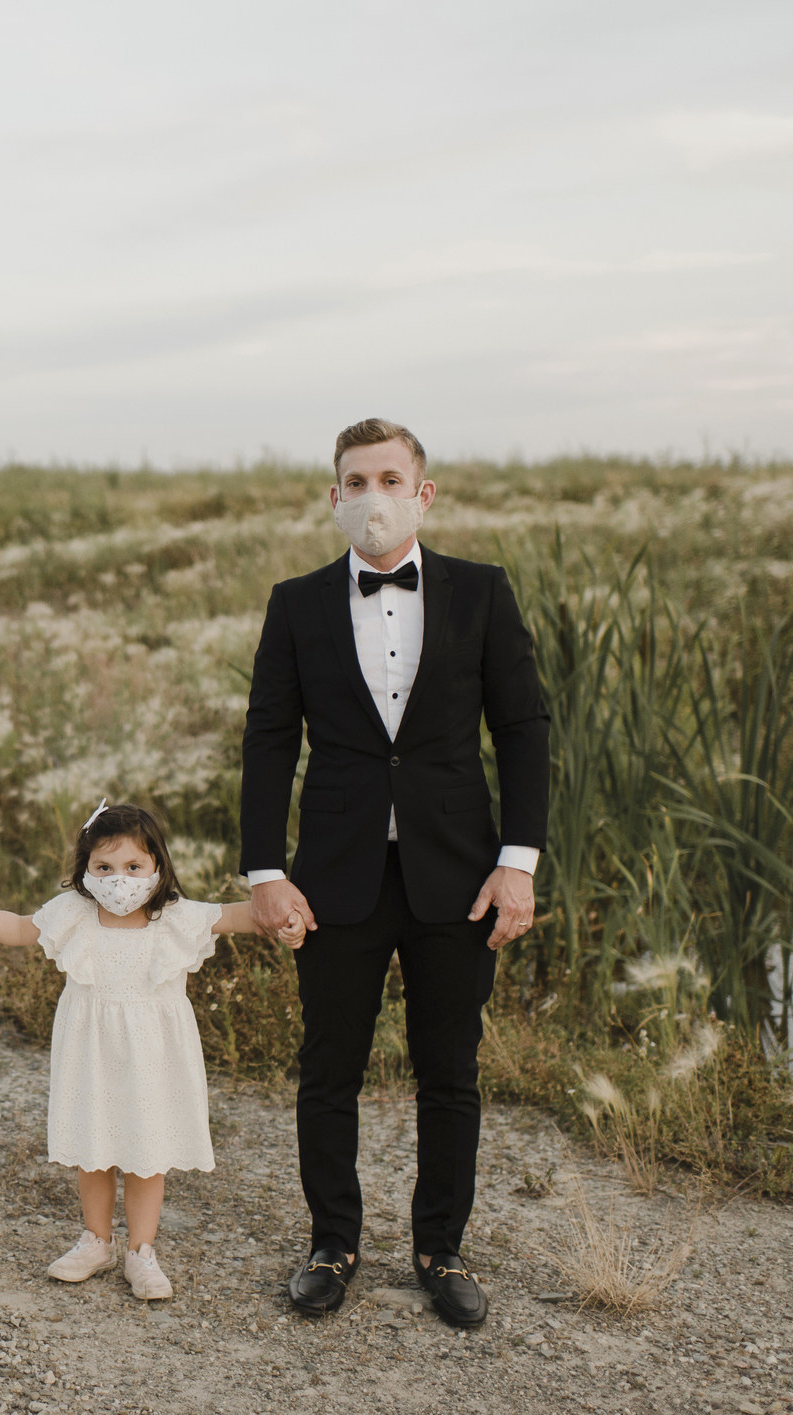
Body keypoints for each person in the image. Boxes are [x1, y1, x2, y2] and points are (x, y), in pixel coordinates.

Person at [239, 418, 549, 1329]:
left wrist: (517, 864)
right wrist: (264, 869)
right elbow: (268, 739)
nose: (370, 495)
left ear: (423, 492)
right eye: (353, 480)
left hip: (457, 875)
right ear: (332, 496)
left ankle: (439, 1248)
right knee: (327, 1066)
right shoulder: (293, 603)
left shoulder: (481, 593)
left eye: (388, 477)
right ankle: (330, 1243)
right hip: (334, 875)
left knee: (447, 1069)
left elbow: (524, 729)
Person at [0, 802, 303, 1300]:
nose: (118, 879)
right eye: (103, 867)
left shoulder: (175, 918)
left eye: (132, 867)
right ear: (85, 869)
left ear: (156, 868)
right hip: (91, 1053)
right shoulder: (74, 915)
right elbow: (18, 929)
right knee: (94, 1145)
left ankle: (141, 1252)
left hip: (153, 1058)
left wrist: (285, 919)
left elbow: (241, 917)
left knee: (148, 1151)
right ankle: (94, 1240)